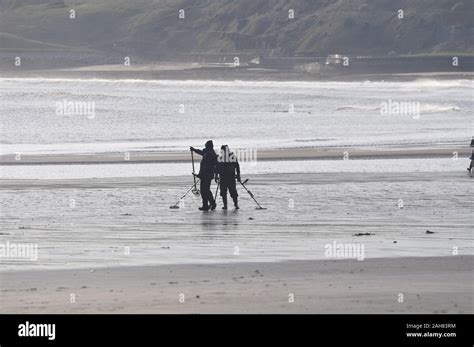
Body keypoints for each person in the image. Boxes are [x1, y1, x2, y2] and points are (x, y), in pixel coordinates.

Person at [190, 140, 217, 211]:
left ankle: (208, 205)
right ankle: (210, 204)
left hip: (206, 175)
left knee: (205, 191)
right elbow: (201, 152)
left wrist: (200, 175)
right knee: (206, 190)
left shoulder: (209, 154)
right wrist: (194, 150)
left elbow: (206, 167)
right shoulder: (208, 152)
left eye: (206, 145)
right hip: (206, 175)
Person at [216, 145, 241, 209]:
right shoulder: (220, 158)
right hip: (223, 177)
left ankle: (235, 204)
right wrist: (216, 176)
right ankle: (226, 205)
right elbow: (217, 168)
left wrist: (238, 175)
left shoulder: (232, 157)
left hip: (230, 177)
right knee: (224, 192)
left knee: (233, 192)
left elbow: (237, 166)